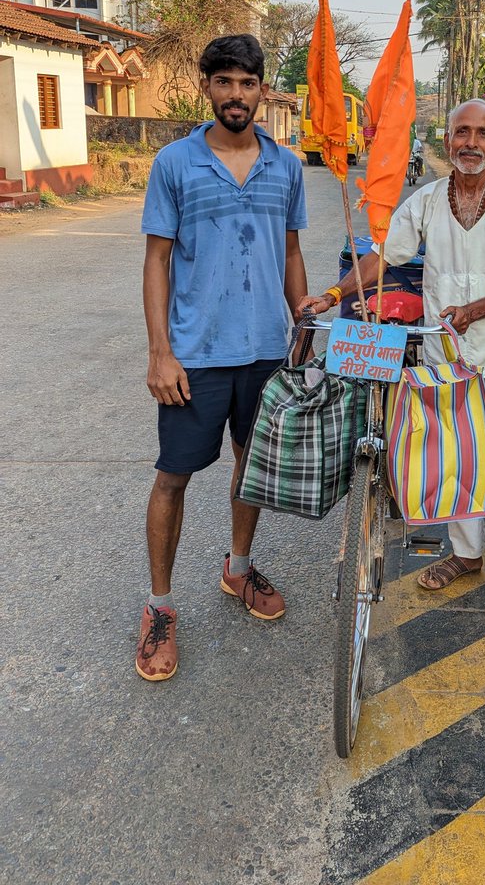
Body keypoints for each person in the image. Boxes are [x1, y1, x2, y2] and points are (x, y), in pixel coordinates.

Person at [297, 99, 485, 621]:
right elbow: (382, 256)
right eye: (462, 132)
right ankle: (465, 553)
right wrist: (331, 292)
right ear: (448, 139)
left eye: (482, 134)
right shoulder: (429, 200)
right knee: (455, 459)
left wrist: (474, 311)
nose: (471, 143)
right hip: (444, 356)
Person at [136, 34, 309, 681]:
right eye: (225, 81)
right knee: (172, 478)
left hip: (265, 351)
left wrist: (302, 317)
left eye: (249, 82)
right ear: (207, 86)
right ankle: (159, 608)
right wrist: (161, 353)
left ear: (263, 89)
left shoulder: (286, 166)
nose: (237, 94)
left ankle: (238, 568)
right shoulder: (175, 163)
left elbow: (289, 253)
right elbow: (156, 261)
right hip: (197, 355)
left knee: (251, 465)